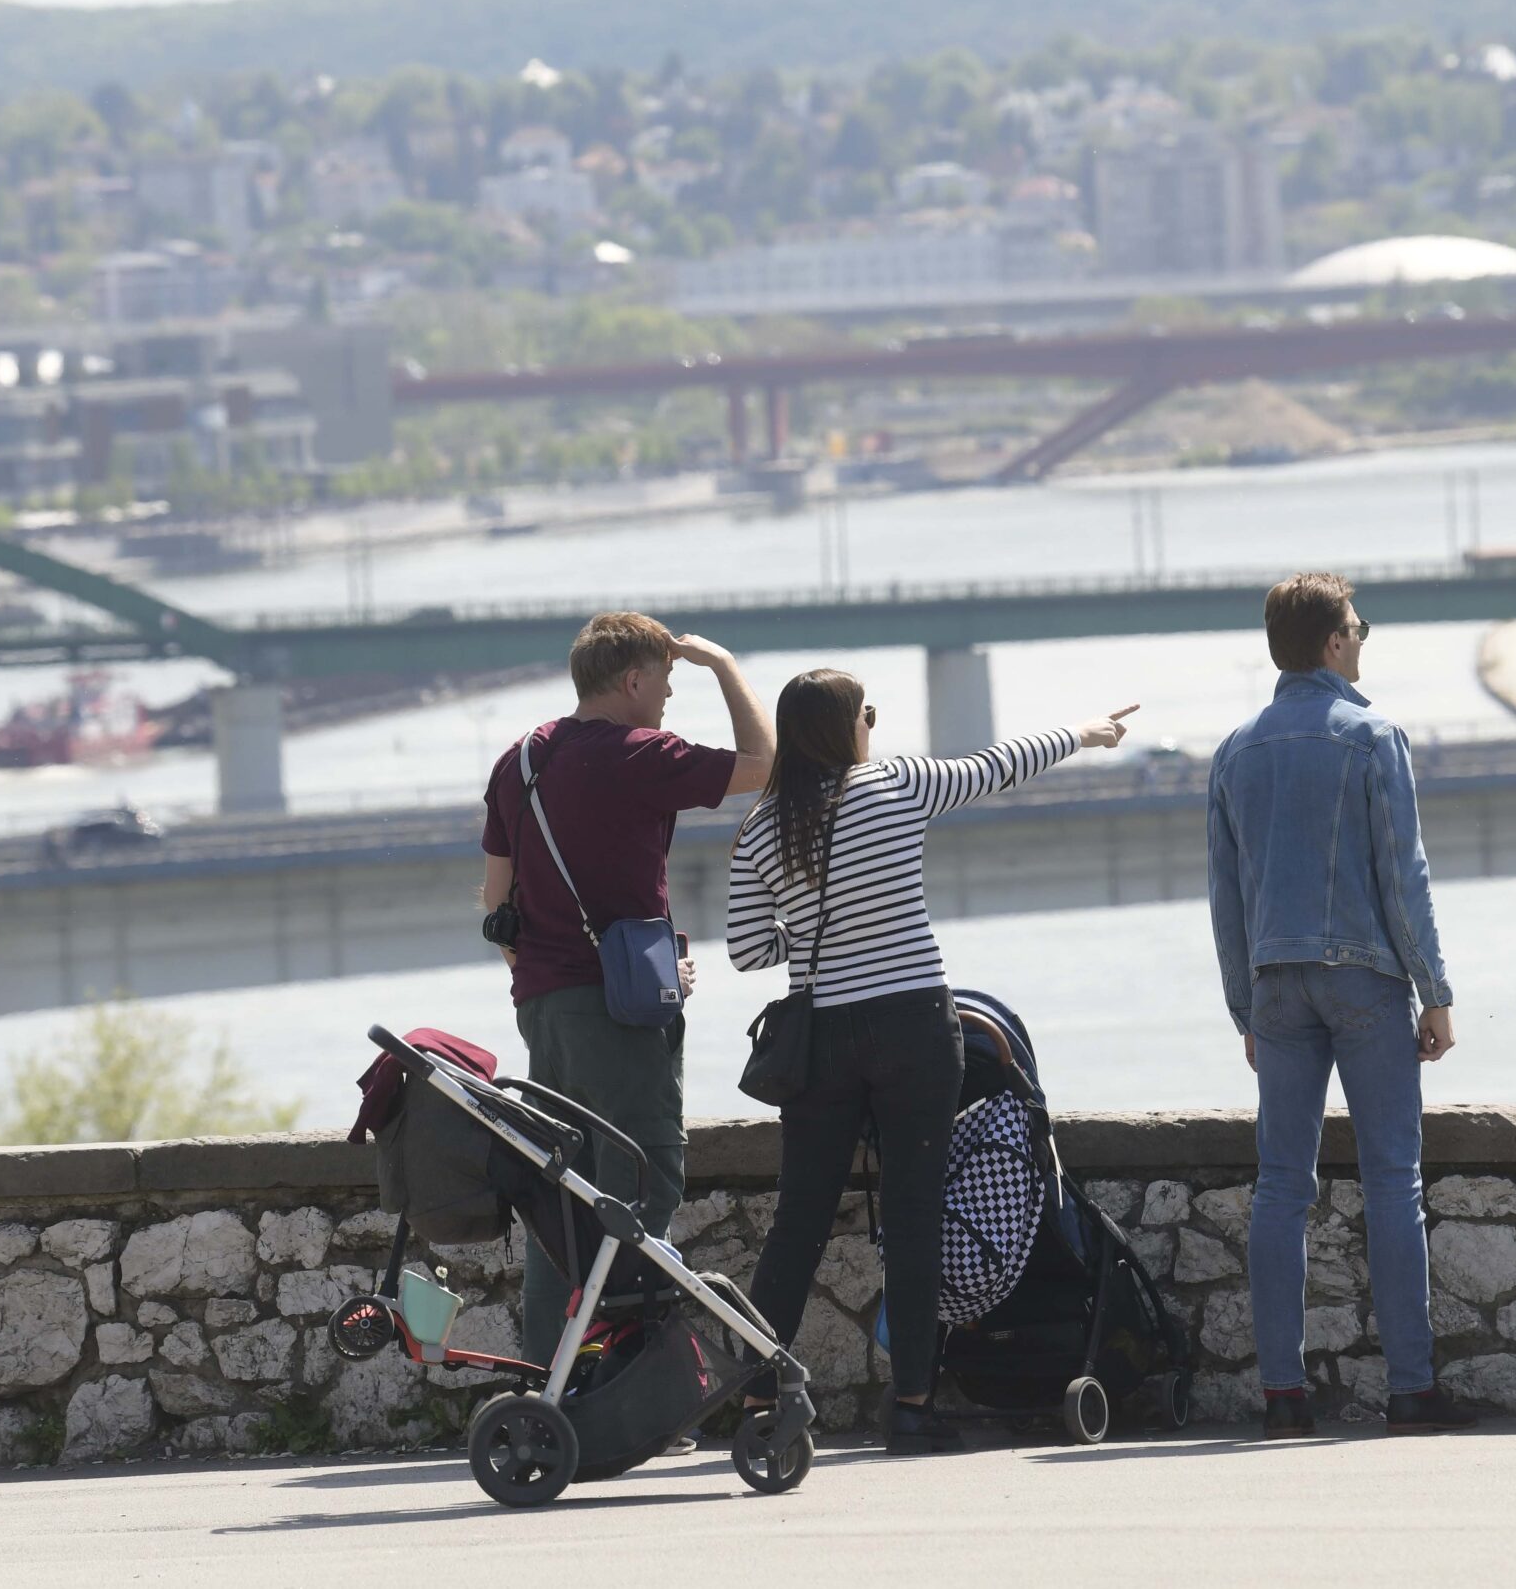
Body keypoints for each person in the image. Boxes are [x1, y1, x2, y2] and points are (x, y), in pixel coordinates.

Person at [727, 671, 1134, 1454]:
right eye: (867, 714)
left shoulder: (760, 826)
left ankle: (753, 1398)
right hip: (914, 1026)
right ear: (847, 726)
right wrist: (1084, 732)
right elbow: (999, 762)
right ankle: (911, 1408)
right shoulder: (898, 784)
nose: (872, 726)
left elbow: (747, 949)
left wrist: (813, 939)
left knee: (796, 1224)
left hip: (821, 1041)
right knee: (913, 1216)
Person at [1206, 571, 1475, 1438]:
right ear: (1331, 642)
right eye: (1358, 628)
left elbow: (1225, 896)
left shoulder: (1234, 751)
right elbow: (1405, 877)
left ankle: (1283, 1394)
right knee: (1393, 1177)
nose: (1362, 641)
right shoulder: (1372, 735)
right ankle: (1411, 1389)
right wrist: (1434, 992)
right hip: (1364, 980)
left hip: (1277, 983)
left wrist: (1244, 1006)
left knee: (1280, 1186)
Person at [481, 611, 775, 1365]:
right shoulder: (641, 753)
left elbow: (496, 905)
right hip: (615, 1013)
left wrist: (544, 984)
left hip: (542, 1007)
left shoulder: (519, 760)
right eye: (669, 681)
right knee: (644, 1180)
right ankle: (635, 1376)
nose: (672, 696)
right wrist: (721, 661)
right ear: (634, 680)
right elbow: (763, 761)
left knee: (564, 1194)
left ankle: (549, 1373)